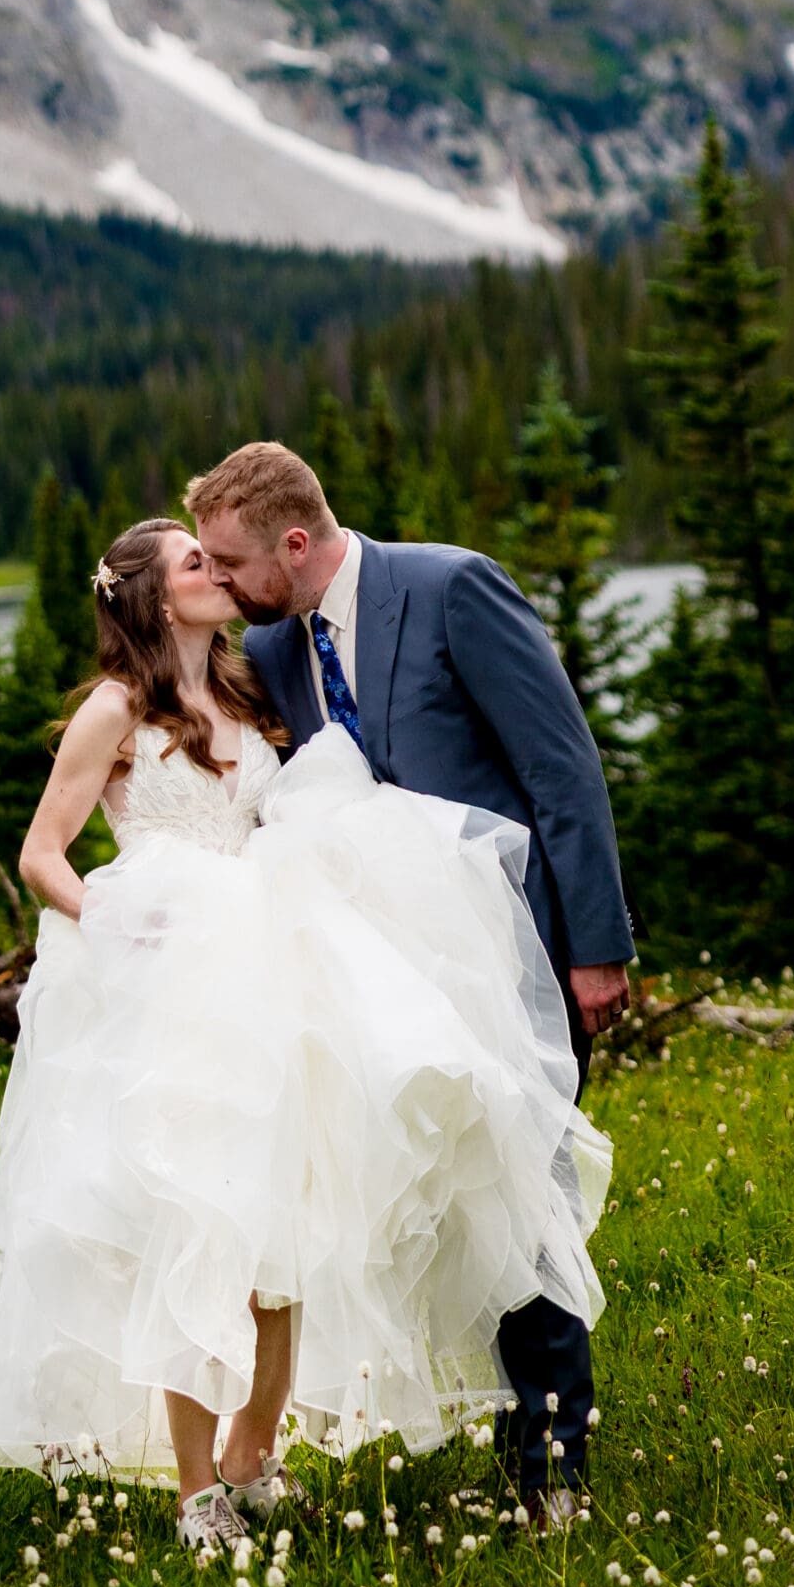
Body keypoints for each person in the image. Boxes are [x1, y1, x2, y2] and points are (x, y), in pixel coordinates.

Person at [0, 516, 611, 1550]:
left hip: (272, 967)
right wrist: (110, 916)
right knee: (197, 1224)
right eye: (196, 563)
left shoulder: (251, 686)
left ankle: (257, 1452)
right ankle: (196, 1483)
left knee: (287, 1227)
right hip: (176, 981)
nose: (220, 574)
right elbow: (43, 852)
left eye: (218, 556)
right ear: (159, 599)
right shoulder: (117, 711)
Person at [189, 442, 635, 1525]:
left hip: (510, 960)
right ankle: (483, 1426)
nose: (220, 579)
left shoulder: (449, 588)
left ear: (295, 544)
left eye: (229, 558)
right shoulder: (269, 643)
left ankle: (550, 1473)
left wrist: (596, 948)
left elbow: (560, 765)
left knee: (524, 1201)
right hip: (382, 992)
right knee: (436, 1214)